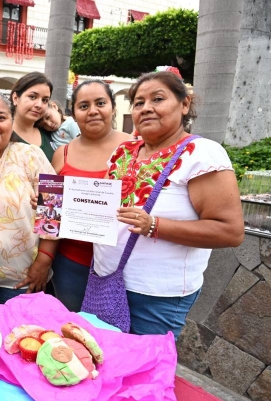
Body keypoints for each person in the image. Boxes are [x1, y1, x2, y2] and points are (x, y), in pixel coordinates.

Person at [92, 70, 244, 338]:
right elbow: (100, 206)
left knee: (145, 374)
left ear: (184, 104)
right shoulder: (124, 152)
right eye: (139, 103)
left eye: (158, 99)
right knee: (108, 365)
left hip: (156, 297)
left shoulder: (201, 154)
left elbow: (230, 231)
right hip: (105, 282)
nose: (146, 108)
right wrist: (55, 206)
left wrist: (154, 226)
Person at [0, 92, 57, 304]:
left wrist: (44, 261)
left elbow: (54, 209)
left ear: (12, 121)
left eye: (1, 117)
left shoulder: (31, 155)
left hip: (22, 280)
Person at [50, 80, 132, 312]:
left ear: (113, 108)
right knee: (74, 331)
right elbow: (52, 212)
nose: (93, 111)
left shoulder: (135, 148)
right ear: (74, 114)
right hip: (70, 263)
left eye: (100, 103)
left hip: (121, 266)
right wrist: (44, 204)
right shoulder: (61, 154)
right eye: (84, 106)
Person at [10, 72, 55, 161]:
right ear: (15, 98)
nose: (39, 105)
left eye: (45, 100)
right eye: (32, 97)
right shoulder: (1, 135)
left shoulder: (51, 133)